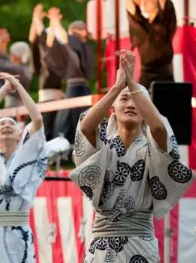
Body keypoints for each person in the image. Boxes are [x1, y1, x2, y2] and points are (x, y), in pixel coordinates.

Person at [70, 50, 195, 263]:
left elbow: (158, 127)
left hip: (140, 245)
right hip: (102, 247)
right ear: (113, 108)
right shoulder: (103, 146)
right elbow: (85, 128)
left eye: (137, 99)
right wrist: (118, 86)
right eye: (123, 99)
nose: (130, 104)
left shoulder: (153, 148)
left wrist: (132, 83)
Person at [0, 72, 47, 263]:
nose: (6, 125)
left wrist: (18, 87)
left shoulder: (26, 156)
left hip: (20, 233)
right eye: (1, 124)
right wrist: (4, 90)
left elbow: (37, 120)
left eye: (11, 124)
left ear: (20, 136)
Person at [44, 7, 94, 148]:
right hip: (76, 87)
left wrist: (55, 22)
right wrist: (53, 25)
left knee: (74, 120)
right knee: (72, 120)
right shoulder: (81, 46)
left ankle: (74, 149)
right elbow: (53, 44)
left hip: (77, 88)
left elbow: (65, 39)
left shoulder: (82, 46)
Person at [29, 3, 65, 140]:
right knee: (47, 126)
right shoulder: (47, 46)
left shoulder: (56, 39)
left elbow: (45, 40)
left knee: (51, 126)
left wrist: (40, 19)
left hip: (53, 85)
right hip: (48, 87)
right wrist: (36, 19)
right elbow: (36, 38)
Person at [126, 0, 177, 90]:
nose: (144, 2)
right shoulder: (140, 24)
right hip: (146, 74)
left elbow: (166, 5)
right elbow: (129, 3)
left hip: (165, 73)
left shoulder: (165, 19)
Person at [0, 28, 32, 108]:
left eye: (12, 54)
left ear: (18, 56)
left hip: (16, 106)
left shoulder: (20, 70)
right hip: (20, 105)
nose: (10, 56)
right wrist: (2, 44)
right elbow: (3, 62)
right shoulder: (24, 68)